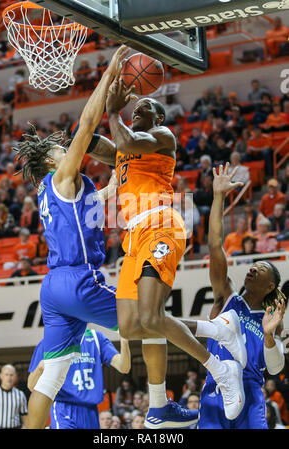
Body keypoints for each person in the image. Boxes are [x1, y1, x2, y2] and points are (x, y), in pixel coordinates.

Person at [102, 81, 246, 428]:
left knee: (151, 317)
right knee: (130, 325)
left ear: (159, 115)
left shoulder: (161, 136)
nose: (138, 110)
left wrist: (112, 110)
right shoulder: (123, 146)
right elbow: (98, 144)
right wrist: (96, 106)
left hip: (161, 225)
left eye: (145, 107)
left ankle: (220, 369)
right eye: (135, 108)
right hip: (134, 236)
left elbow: (123, 140)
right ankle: (215, 329)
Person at [12, 45, 131, 429]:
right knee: (143, 317)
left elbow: (97, 201)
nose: (67, 150)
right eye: (60, 150)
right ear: (51, 160)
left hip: (53, 286)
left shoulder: (57, 191)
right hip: (78, 278)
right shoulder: (62, 175)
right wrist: (110, 73)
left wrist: (114, 186)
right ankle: (177, 392)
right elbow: (86, 124)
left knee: (51, 376)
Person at [192, 163, 287, 429]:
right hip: (217, 387)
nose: (254, 267)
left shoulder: (270, 318)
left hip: (251, 391)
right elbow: (214, 245)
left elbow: (276, 367)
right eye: (253, 265)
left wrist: (269, 336)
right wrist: (219, 196)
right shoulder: (227, 296)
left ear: (270, 286)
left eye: (263, 268)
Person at [28, 330, 131, 429]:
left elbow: (124, 367)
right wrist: (40, 367)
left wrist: (124, 341)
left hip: (90, 410)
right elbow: (31, 386)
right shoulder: (50, 341)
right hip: (64, 407)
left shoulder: (96, 338)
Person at [0, 365, 28, 429]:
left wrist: (25, 426)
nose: (9, 378)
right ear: (1, 376)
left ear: (15, 376)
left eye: (11, 375)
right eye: (6, 375)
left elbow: (24, 415)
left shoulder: (20, 394)